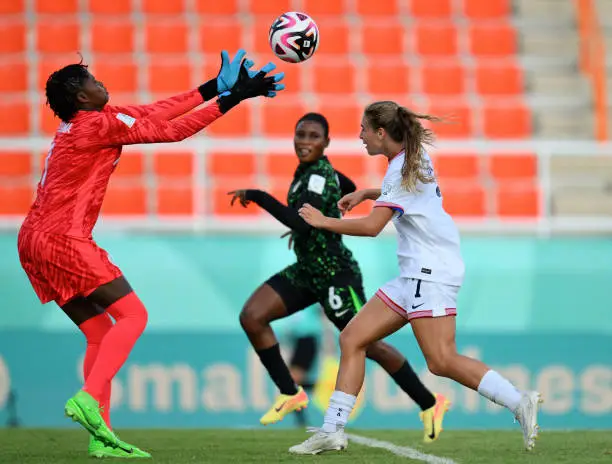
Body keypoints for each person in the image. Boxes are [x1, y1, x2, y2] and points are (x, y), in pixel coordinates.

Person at [17, 50, 284, 459]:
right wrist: (234, 99)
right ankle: (89, 398)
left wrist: (215, 88)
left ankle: (99, 437)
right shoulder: (100, 124)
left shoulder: (87, 122)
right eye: (92, 81)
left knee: (100, 333)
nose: (100, 84)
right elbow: (171, 132)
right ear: (81, 97)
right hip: (62, 238)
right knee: (133, 315)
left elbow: (156, 111)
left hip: (33, 239)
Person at [290, 101, 543, 455]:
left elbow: (373, 226)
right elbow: (407, 195)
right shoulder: (411, 157)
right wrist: (367, 192)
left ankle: (519, 401)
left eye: (364, 129)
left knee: (441, 360)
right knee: (352, 338)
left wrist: (323, 221)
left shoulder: (400, 169)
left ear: (381, 133)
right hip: (414, 273)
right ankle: (332, 429)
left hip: (430, 271)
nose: (360, 136)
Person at [228, 113, 450, 442]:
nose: (305, 140)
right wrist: (334, 206)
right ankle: (291, 393)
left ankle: (430, 402)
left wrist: (258, 195)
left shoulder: (316, 175)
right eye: (300, 134)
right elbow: (340, 189)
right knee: (252, 316)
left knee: (369, 345)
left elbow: (303, 222)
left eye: (313, 135)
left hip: (335, 276)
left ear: (326, 142)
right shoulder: (311, 172)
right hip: (307, 271)